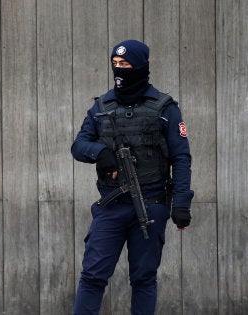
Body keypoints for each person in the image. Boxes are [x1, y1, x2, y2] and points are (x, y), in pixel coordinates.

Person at [71, 39, 194, 315]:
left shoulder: (165, 109)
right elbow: (78, 146)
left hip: (150, 204)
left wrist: (181, 204)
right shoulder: (101, 106)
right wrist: (100, 152)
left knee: (143, 279)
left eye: (125, 65)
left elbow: (181, 158)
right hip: (111, 206)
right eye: (115, 64)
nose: (119, 70)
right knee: (92, 276)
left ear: (140, 67)